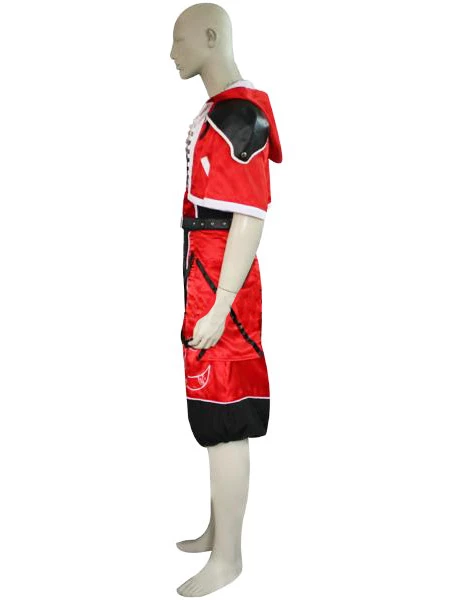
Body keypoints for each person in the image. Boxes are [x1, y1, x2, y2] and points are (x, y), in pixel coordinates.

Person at [170, 3, 282, 596]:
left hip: (222, 285)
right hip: (204, 274)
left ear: (211, 37)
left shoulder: (240, 116)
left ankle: (230, 557)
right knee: (209, 405)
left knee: (226, 413)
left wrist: (221, 305)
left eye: (180, 39)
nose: (172, 53)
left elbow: (249, 216)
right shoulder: (219, 110)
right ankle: (218, 528)